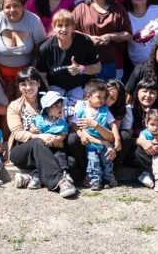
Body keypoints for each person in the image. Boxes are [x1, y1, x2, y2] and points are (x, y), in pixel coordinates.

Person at [7, 67, 80, 197]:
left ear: (39, 83)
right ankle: (59, 182)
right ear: (19, 87)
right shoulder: (14, 106)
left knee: (71, 162)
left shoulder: (51, 101)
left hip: (52, 148)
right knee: (38, 142)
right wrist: (41, 136)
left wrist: (57, 139)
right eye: (23, 84)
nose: (28, 87)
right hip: (23, 150)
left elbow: (61, 126)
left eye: (32, 83)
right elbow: (17, 133)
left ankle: (32, 177)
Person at [0, 0, 46, 98]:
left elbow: (39, 52)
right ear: (2, 8)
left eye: (16, 5)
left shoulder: (34, 21)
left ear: (23, 6)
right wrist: (0, 80)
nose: (12, 10)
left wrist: (27, 78)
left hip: (27, 75)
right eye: (7, 7)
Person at [72, 0, 130, 80]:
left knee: (106, 95)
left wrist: (110, 36)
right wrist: (89, 38)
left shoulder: (118, 9)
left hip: (108, 64)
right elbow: (70, 31)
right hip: (84, 64)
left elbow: (128, 34)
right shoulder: (81, 8)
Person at [35, 9, 101, 106]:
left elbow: (98, 67)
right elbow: (42, 76)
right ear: (54, 28)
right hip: (55, 88)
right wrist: (51, 97)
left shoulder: (84, 42)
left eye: (67, 25)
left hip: (80, 87)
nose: (64, 29)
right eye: (60, 25)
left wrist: (81, 69)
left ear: (73, 27)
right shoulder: (45, 48)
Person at [72, 80, 118, 191]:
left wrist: (117, 139)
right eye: (99, 97)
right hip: (91, 144)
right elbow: (75, 125)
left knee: (107, 162)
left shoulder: (104, 110)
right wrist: (81, 135)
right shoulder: (82, 109)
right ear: (88, 96)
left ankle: (108, 179)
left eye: (104, 97)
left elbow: (113, 124)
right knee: (93, 162)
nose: (102, 100)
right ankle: (95, 180)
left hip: (105, 144)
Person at [31, 91, 73, 190]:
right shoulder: (39, 119)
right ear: (47, 109)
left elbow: (64, 134)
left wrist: (57, 138)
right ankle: (37, 177)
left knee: (60, 156)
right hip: (43, 146)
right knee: (41, 158)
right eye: (56, 106)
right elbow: (32, 128)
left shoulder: (61, 122)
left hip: (56, 145)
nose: (60, 108)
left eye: (61, 105)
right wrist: (32, 130)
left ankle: (65, 173)